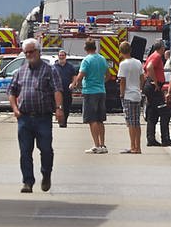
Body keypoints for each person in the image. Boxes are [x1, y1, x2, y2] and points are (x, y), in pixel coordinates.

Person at [9, 38, 65, 193]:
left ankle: (46, 174)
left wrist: (59, 108)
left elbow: (57, 90)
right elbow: (12, 92)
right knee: (25, 151)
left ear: (38, 51)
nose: (28, 55)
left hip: (43, 118)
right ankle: (27, 182)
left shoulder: (50, 70)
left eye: (31, 51)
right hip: (24, 118)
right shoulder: (20, 71)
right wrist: (15, 108)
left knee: (46, 149)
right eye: (26, 52)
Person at [76, 39, 109, 154]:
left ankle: (96, 145)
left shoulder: (86, 60)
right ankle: (103, 144)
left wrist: (76, 85)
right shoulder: (102, 58)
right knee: (100, 119)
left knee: (92, 119)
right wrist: (101, 82)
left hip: (90, 91)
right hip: (101, 91)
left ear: (86, 48)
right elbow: (108, 75)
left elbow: (80, 76)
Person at [116, 41, 144, 154]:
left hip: (128, 95)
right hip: (137, 94)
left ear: (121, 51)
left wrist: (122, 94)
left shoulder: (123, 64)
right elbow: (142, 77)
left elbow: (122, 81)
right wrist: (139, 88)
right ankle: (138, 146)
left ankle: (133, 146)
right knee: (136, 122)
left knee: (130, 122)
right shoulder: (138, 62)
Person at [143, 43, 169, 147]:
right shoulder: (157, 56)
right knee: (164, 113)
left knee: (152, 113)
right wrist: (155, 81)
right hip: (154, 87)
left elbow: (145, 68)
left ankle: (151, 138)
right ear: (161, 48)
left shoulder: (151, 56)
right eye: (164, 48)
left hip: (150, 86)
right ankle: (165, 138)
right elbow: (149, 68)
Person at [52, 50, 79, 128]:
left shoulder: (70, 67)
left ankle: (64, 121)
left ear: (65, 56)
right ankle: (61, 122)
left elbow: (74, 77)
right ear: (58, 56)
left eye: (63, 55)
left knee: (66, 107)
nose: (61, 57)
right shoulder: (54, 66)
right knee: (59, 106)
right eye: (60, 55)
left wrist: (73, 84)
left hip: (67, 90)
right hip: (57, 91)